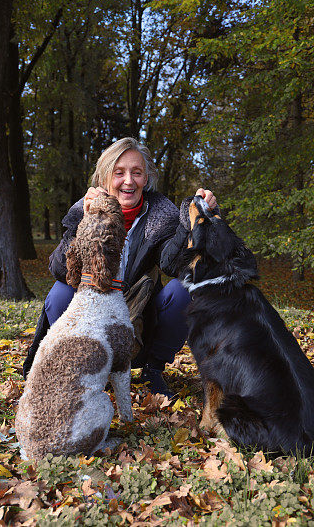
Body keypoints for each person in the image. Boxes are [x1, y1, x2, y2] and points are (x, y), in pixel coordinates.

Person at [22, 137, 217, 398]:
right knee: (60, 293)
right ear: (104, 179)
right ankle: (79, 368)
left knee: (183, 290)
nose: (128, 181)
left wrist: (200, 215)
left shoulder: (161, 215)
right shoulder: (85, 209)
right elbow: (59, 268)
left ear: (146, 179)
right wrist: (86, 221)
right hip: (91, 309)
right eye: (119, 172)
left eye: (137, 173)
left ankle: (152, 369)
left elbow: (175, 264)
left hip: (139, 311)